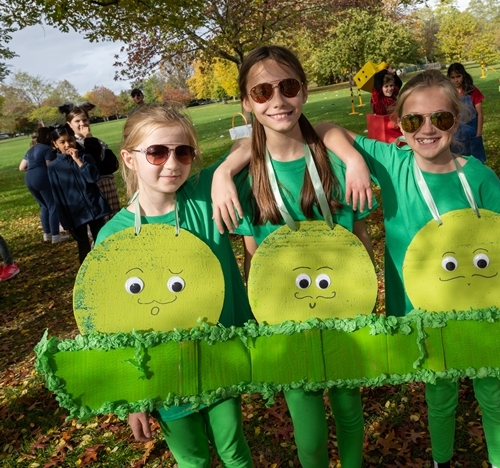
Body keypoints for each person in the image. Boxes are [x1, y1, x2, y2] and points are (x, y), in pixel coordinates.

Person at [315, 69, 500, 468]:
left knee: (493, 390)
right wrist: (354, 160)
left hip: (480, 303)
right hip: (424, 308)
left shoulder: (481, 178)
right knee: (439, 392)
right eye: (414, 120)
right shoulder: (392, 163)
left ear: (458, 119)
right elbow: (324, 126)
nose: (428, 129)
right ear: (400, 124)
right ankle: (442, 460)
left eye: (442, 119)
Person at [211, 45, 375, 468]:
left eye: (288, 86)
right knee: (310, 431)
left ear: (304, 91)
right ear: (247, 103)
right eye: (262, 91)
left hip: (344, 310)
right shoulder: (246, 178)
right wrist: (222, 171)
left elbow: (362, 236)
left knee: (349, 411)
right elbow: (254, 258)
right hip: (285, 320)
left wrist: (366, 301)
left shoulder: (337, 160)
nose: (277, 100)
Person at [94, 105, 253, 468]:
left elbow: (250, 145)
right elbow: (112, 325)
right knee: (192, 459)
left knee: (233, 450)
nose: (172, 163)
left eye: (183, 152)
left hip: (220, 356)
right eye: (156, 152)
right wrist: (133, 395)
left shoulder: (204, 198)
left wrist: (225, 171)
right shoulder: (113, 237)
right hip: (165, 371)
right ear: (129, 159)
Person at [48, 126, 111, 264]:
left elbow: (93, 178)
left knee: (101, 240)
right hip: (75, 213)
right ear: (55, 144)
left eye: (70, 140)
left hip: (95, 207)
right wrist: (65, 221)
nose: (67, 145)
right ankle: (87, 274)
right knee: (83, 246)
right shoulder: (54, 167)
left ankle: (107, 268)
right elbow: (57, 195)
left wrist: (78, 160)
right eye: (62, 142)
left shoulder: (85, 157)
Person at [59, 103, 121, 218]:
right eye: (77, 121)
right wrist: (88, 137)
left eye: (85, 120)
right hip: (92, 190)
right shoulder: (72, 145)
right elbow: (93, 164)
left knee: (114, 219)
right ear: (69, 124)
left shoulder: (96, 141)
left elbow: (112, 164)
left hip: (108, 185)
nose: (82, 124)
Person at [22, 127, 69, 244]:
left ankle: (46, 234)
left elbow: (21, 167)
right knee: (53, 205)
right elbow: (50, 166)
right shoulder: (46, 149)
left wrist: (33, 168)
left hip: (29, 178)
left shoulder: (31, 150)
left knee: (44, 206)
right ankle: (55, 236)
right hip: (41, 177)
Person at [447, 62, 486, 162]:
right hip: (456, 137)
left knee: (477, 163)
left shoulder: (472, 91)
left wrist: (478, 133)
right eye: (453, 77)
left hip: (473, 136)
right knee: (459, 163)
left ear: (463, 75)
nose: (456, 80)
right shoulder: (448, 94)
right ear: (449, 78)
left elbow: (480, 113)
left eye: (458, 76)